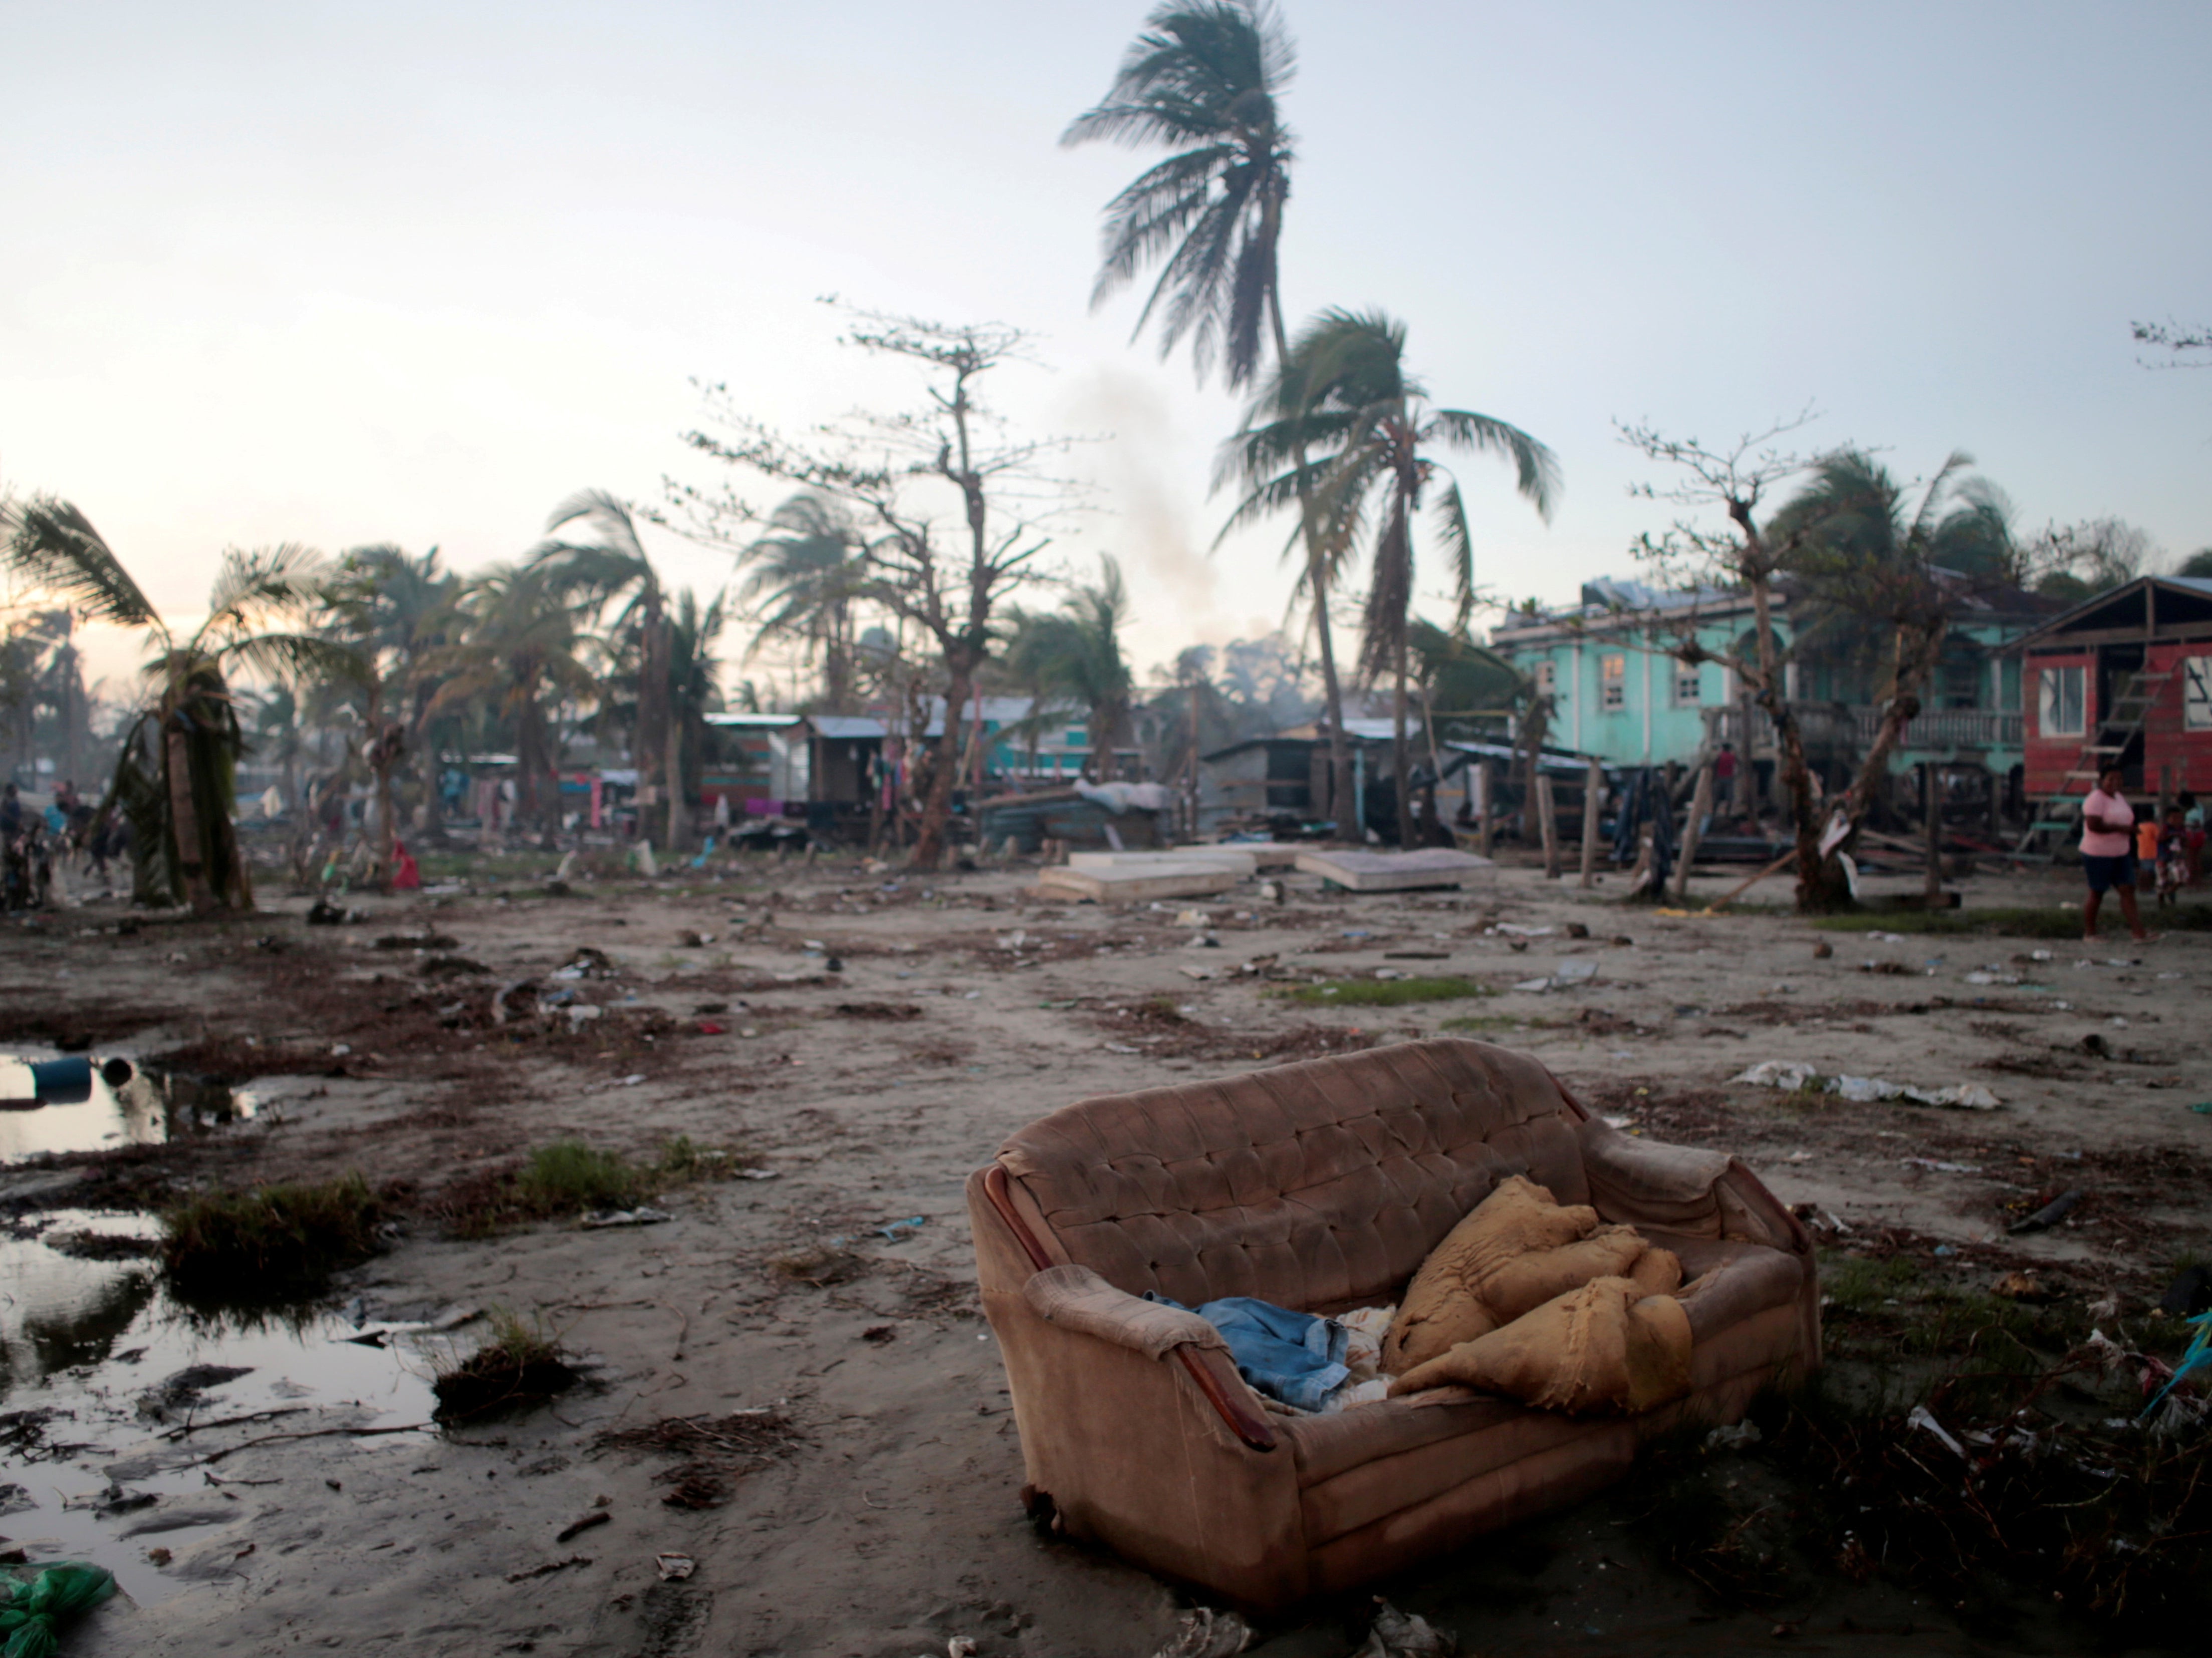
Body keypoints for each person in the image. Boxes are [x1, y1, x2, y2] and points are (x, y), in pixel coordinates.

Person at [2079, 766, 2152, 943]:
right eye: (2111, 779)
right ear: (2102, 781)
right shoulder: (2095, 799)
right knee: (2097, 892)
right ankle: (2090, 933)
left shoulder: (2119, 797)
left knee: (2128, 890)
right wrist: (2122, 829)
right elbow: (2094, 825)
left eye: (2119, 779)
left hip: (2120, 852)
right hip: (2098, 853)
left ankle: (2139, 933)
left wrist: (2131, 829)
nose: (2116, 782)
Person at [2155, 805, 2189, 910]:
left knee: (2181, 878)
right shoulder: (2166, 828)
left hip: (2177, 857)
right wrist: (2171, 836)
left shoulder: (2182, 829)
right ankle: (2162, 903)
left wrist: (2182, 839)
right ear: (2168, 818)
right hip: (2164, 857)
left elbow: (2186, 843)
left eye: (2179, 818)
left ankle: (2170, 892)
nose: (2177, 821)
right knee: (2163, 880)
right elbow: (2158, 839)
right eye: (2174, 818)